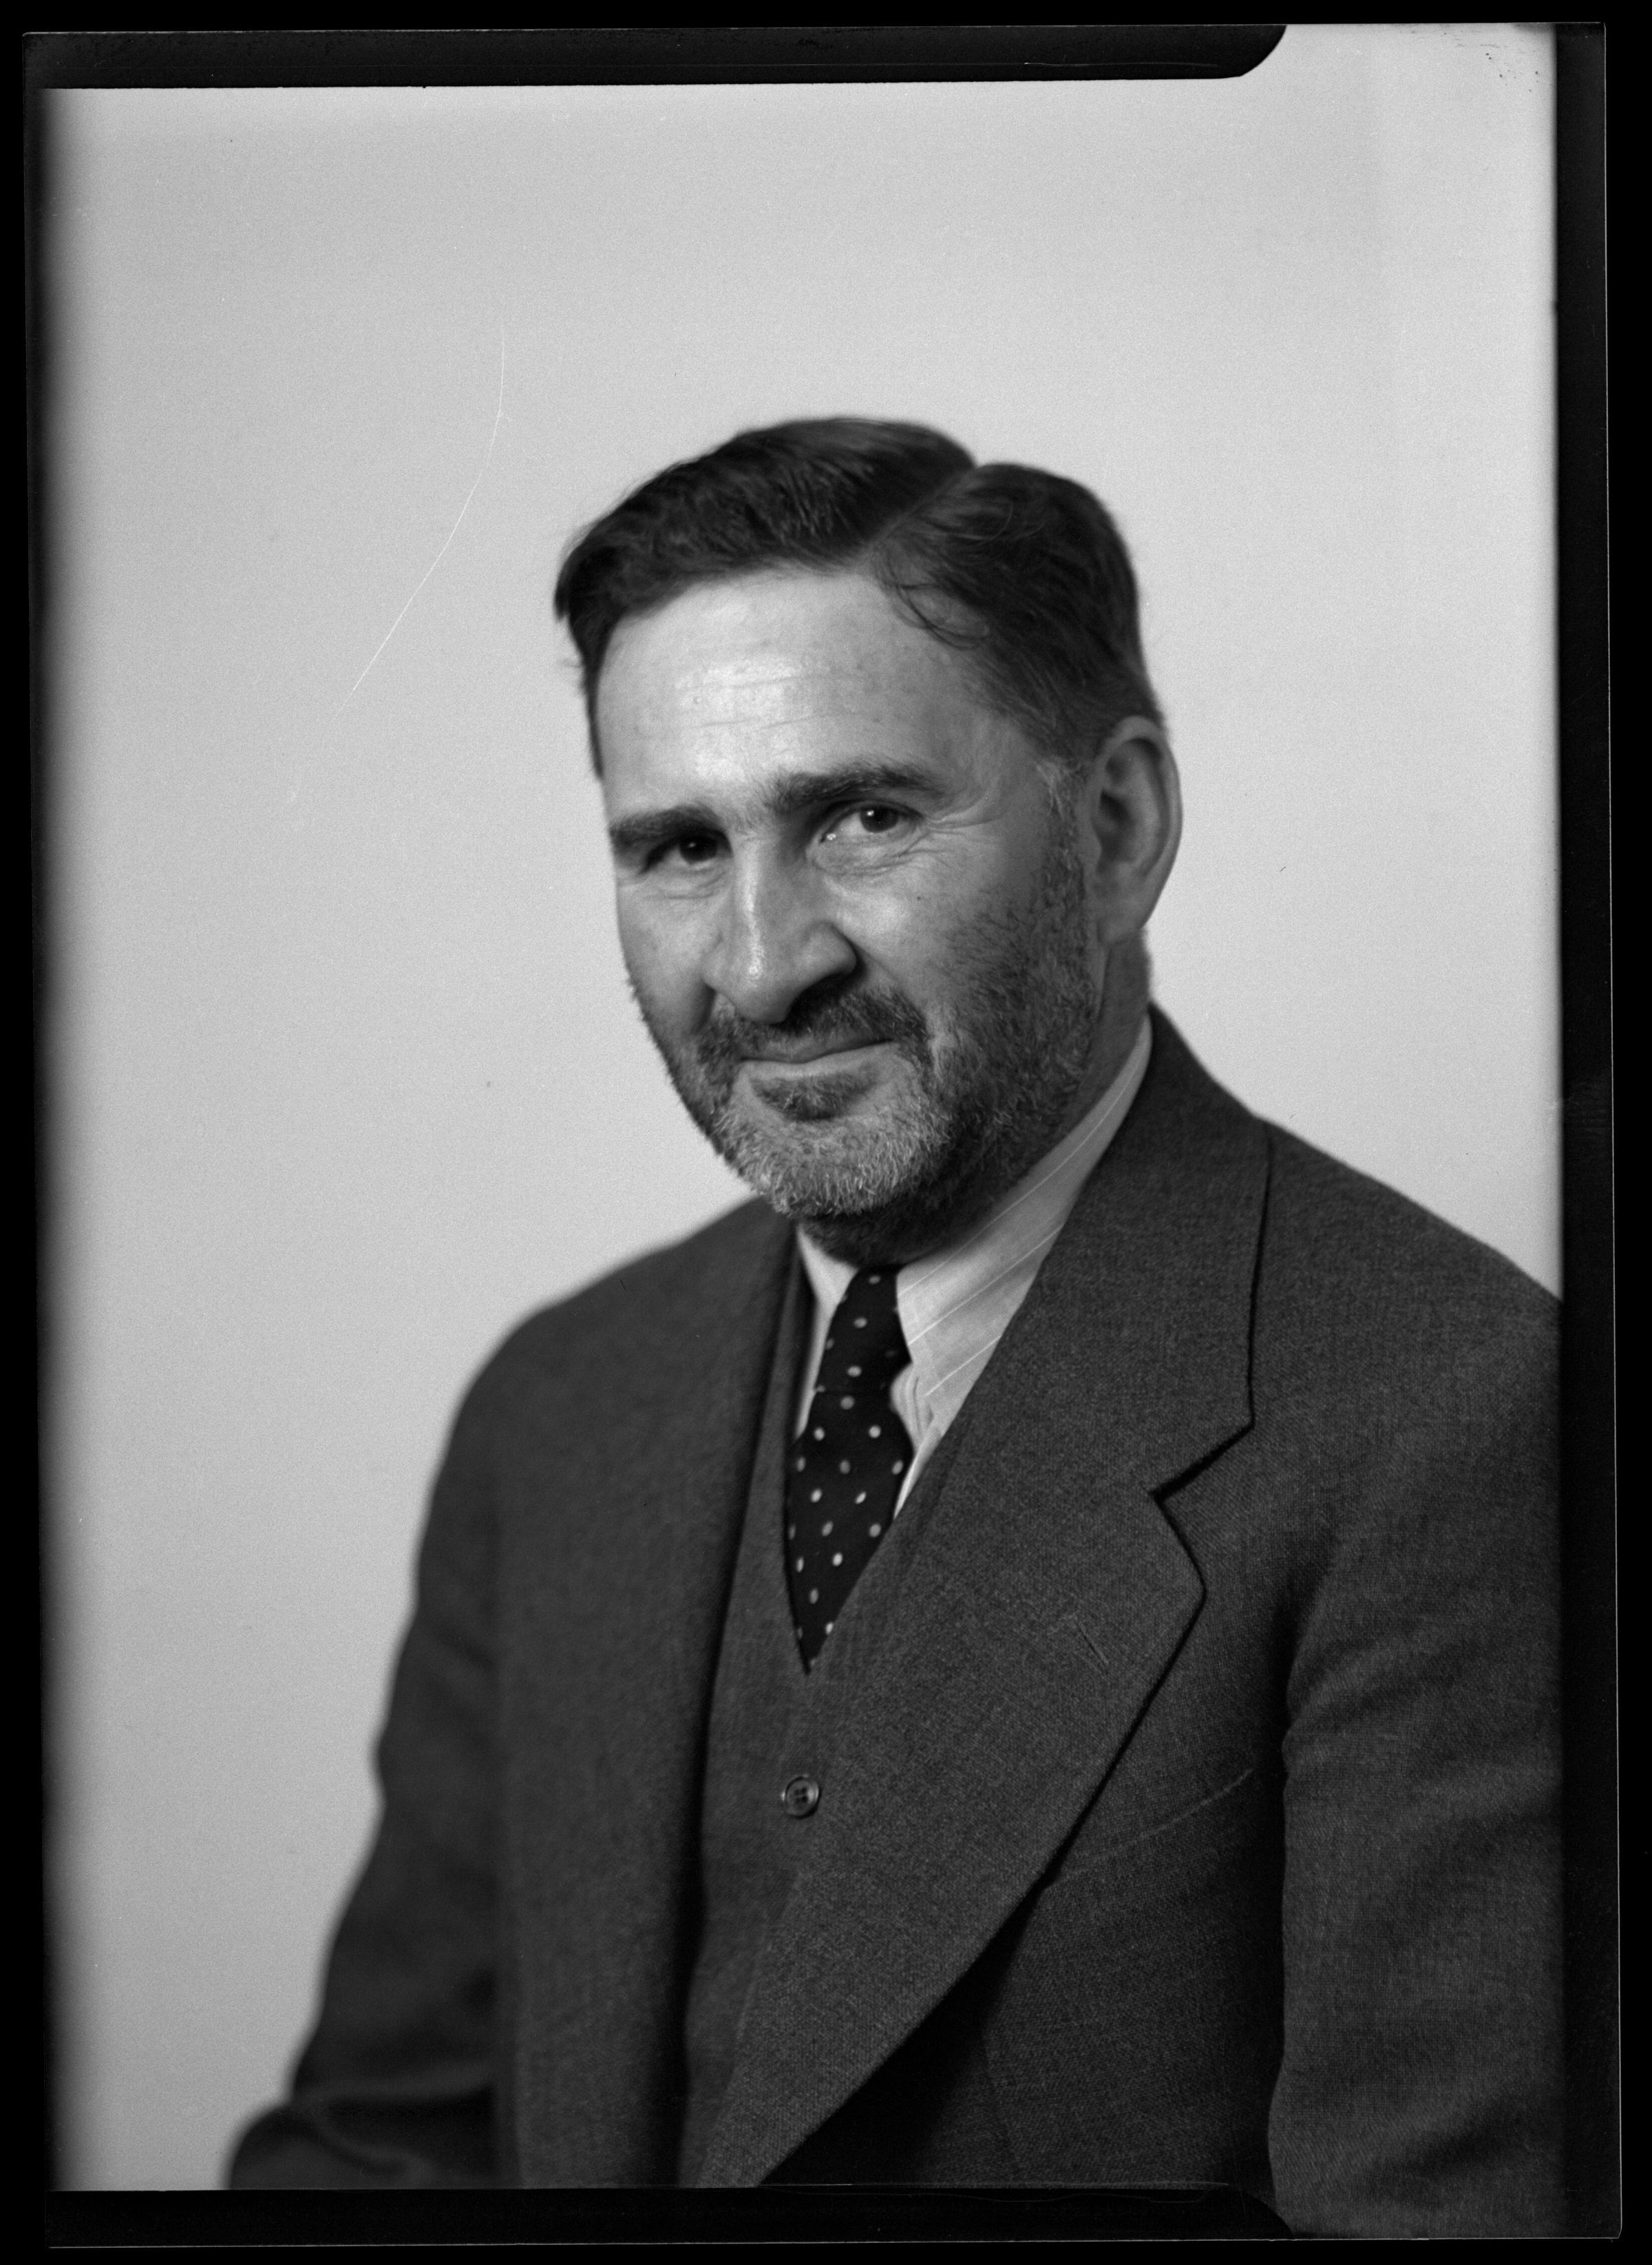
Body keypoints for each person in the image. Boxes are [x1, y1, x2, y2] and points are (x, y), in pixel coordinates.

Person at [230, 419, 1561, 2231]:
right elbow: (382, 2156)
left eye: (862, 817)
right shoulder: (558, 1406)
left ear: (1118, 827)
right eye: (678, 847)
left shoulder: (1453, 1413)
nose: (763, 961)